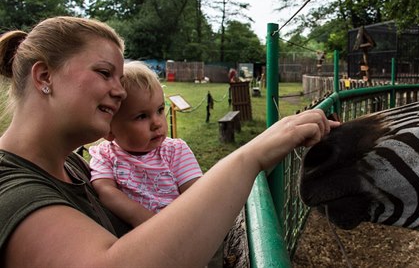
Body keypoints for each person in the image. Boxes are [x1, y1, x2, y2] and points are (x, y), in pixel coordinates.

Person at [0, 16, 338, 267]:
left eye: (120, 78)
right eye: (104, 73)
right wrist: (249, 157)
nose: (119, 91)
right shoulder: (11, 188)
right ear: (44, 76)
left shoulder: (72, 165)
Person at [89, 61, 203, 227]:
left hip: (181, 229)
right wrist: (150, 223)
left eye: (160, 110)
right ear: (109, 130)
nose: (157, 123)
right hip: (139, 239)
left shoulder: (176, 151)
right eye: (142, 116)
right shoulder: (105, 155)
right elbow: (106, 191)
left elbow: (197, 195)